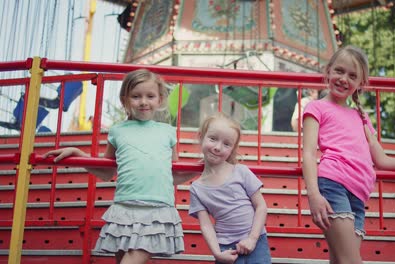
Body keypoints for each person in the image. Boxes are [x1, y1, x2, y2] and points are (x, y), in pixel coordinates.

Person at [301, 45, 395, 264]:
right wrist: (313, 195)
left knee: (341, 261)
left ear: (361, 83)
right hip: (333, 186)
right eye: (338, 71)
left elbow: (381, 159)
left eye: (352, 75)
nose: (343, 79)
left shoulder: (361, 116)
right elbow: (309, 154)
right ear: (328, 71)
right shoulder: (316, 108)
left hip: (358, 196)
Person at [44, 69, 196, 264]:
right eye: (136, 96)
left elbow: (172, 174)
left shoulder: (167, 132)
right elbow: (107, 172)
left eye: (150, 96)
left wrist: (200, 168)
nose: (143, 102)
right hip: (124, 207)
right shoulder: (117, 131)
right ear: (125, 100)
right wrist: (78, 154)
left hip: (157, 209)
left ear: (160, 100)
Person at [188, 112, 271, 264]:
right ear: (201, 137)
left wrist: (252, 239)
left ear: (232, 149)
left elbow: (261, 206)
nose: (218, 147)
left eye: (226, 144)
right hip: (225, 247)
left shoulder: (240, 171)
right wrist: (217, 253)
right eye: (213, 139)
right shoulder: (196, 188)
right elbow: (206, 224)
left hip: (255, 240)